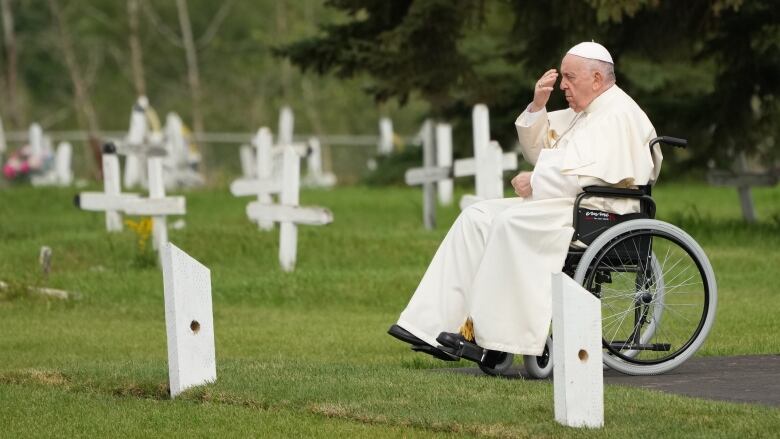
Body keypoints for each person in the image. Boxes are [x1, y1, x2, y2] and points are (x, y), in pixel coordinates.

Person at [388, 42, 663, 365]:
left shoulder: (619, 114)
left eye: (570, 78)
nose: (563, 86)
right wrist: (537, 106)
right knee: (477, 215)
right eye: (563, 78)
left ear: (597, 79)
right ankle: (431, 326)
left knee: (509, 223)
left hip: (601, 211)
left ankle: (490, 338)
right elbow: (543, 154)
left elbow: (595, 178)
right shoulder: (587, 113)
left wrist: (535, 180)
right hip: (570, 204)